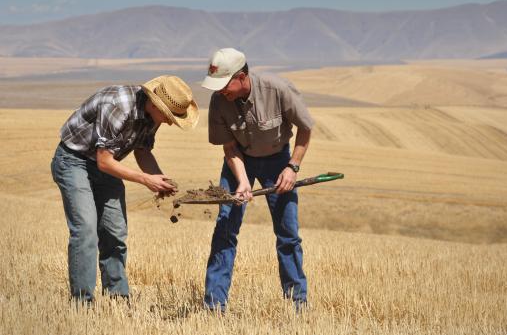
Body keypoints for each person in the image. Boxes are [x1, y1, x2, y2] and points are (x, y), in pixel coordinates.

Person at [51, 75, 199, 303]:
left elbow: (142, 150)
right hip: (74, 161)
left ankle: (118, 298)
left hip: (106, 166)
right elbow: (104, 161)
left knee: (115, 231)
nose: (170, 122)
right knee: (86, 229)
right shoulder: (118, 106)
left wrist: (159, 179)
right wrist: (145, 180)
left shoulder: (152, 116)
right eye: (169, 116)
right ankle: (82, 303)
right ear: (154, 103)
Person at [200, 48, 314, 312]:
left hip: (278, 161)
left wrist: (292, 168)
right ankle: (214, 306)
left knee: (288, 234)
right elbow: (229, 148)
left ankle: (298, 305)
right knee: (225, 230)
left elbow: (305, 129)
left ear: (241, 77)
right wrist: (242, 181)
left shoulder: (278, 89)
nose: (220, 92)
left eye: (224, 85)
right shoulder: (219, 101)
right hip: (239, 160)